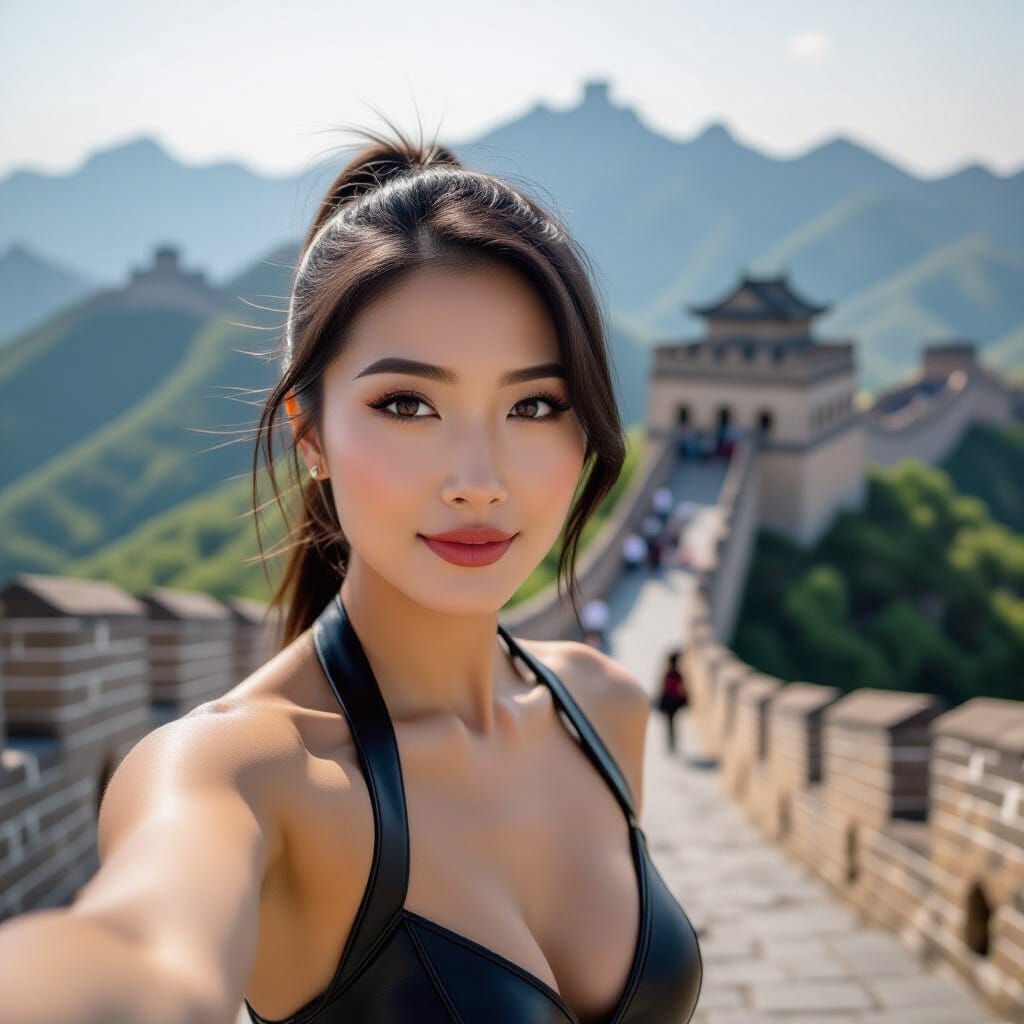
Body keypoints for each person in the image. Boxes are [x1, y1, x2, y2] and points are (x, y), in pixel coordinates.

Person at [0, 123, 703, 1024]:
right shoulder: (243, 771)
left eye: (535, 404)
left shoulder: (604, 712)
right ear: (311, 432)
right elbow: (142, 951)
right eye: (407, 405)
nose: (478, 482)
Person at [654, 648, 689, 754]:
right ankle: (672, 744)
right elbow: (680, 689)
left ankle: (671, 744)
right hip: (673, 702)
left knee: (671, 724)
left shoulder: (668, 674)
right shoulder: (676, 674)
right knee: (672, 724)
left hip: (669, 701)